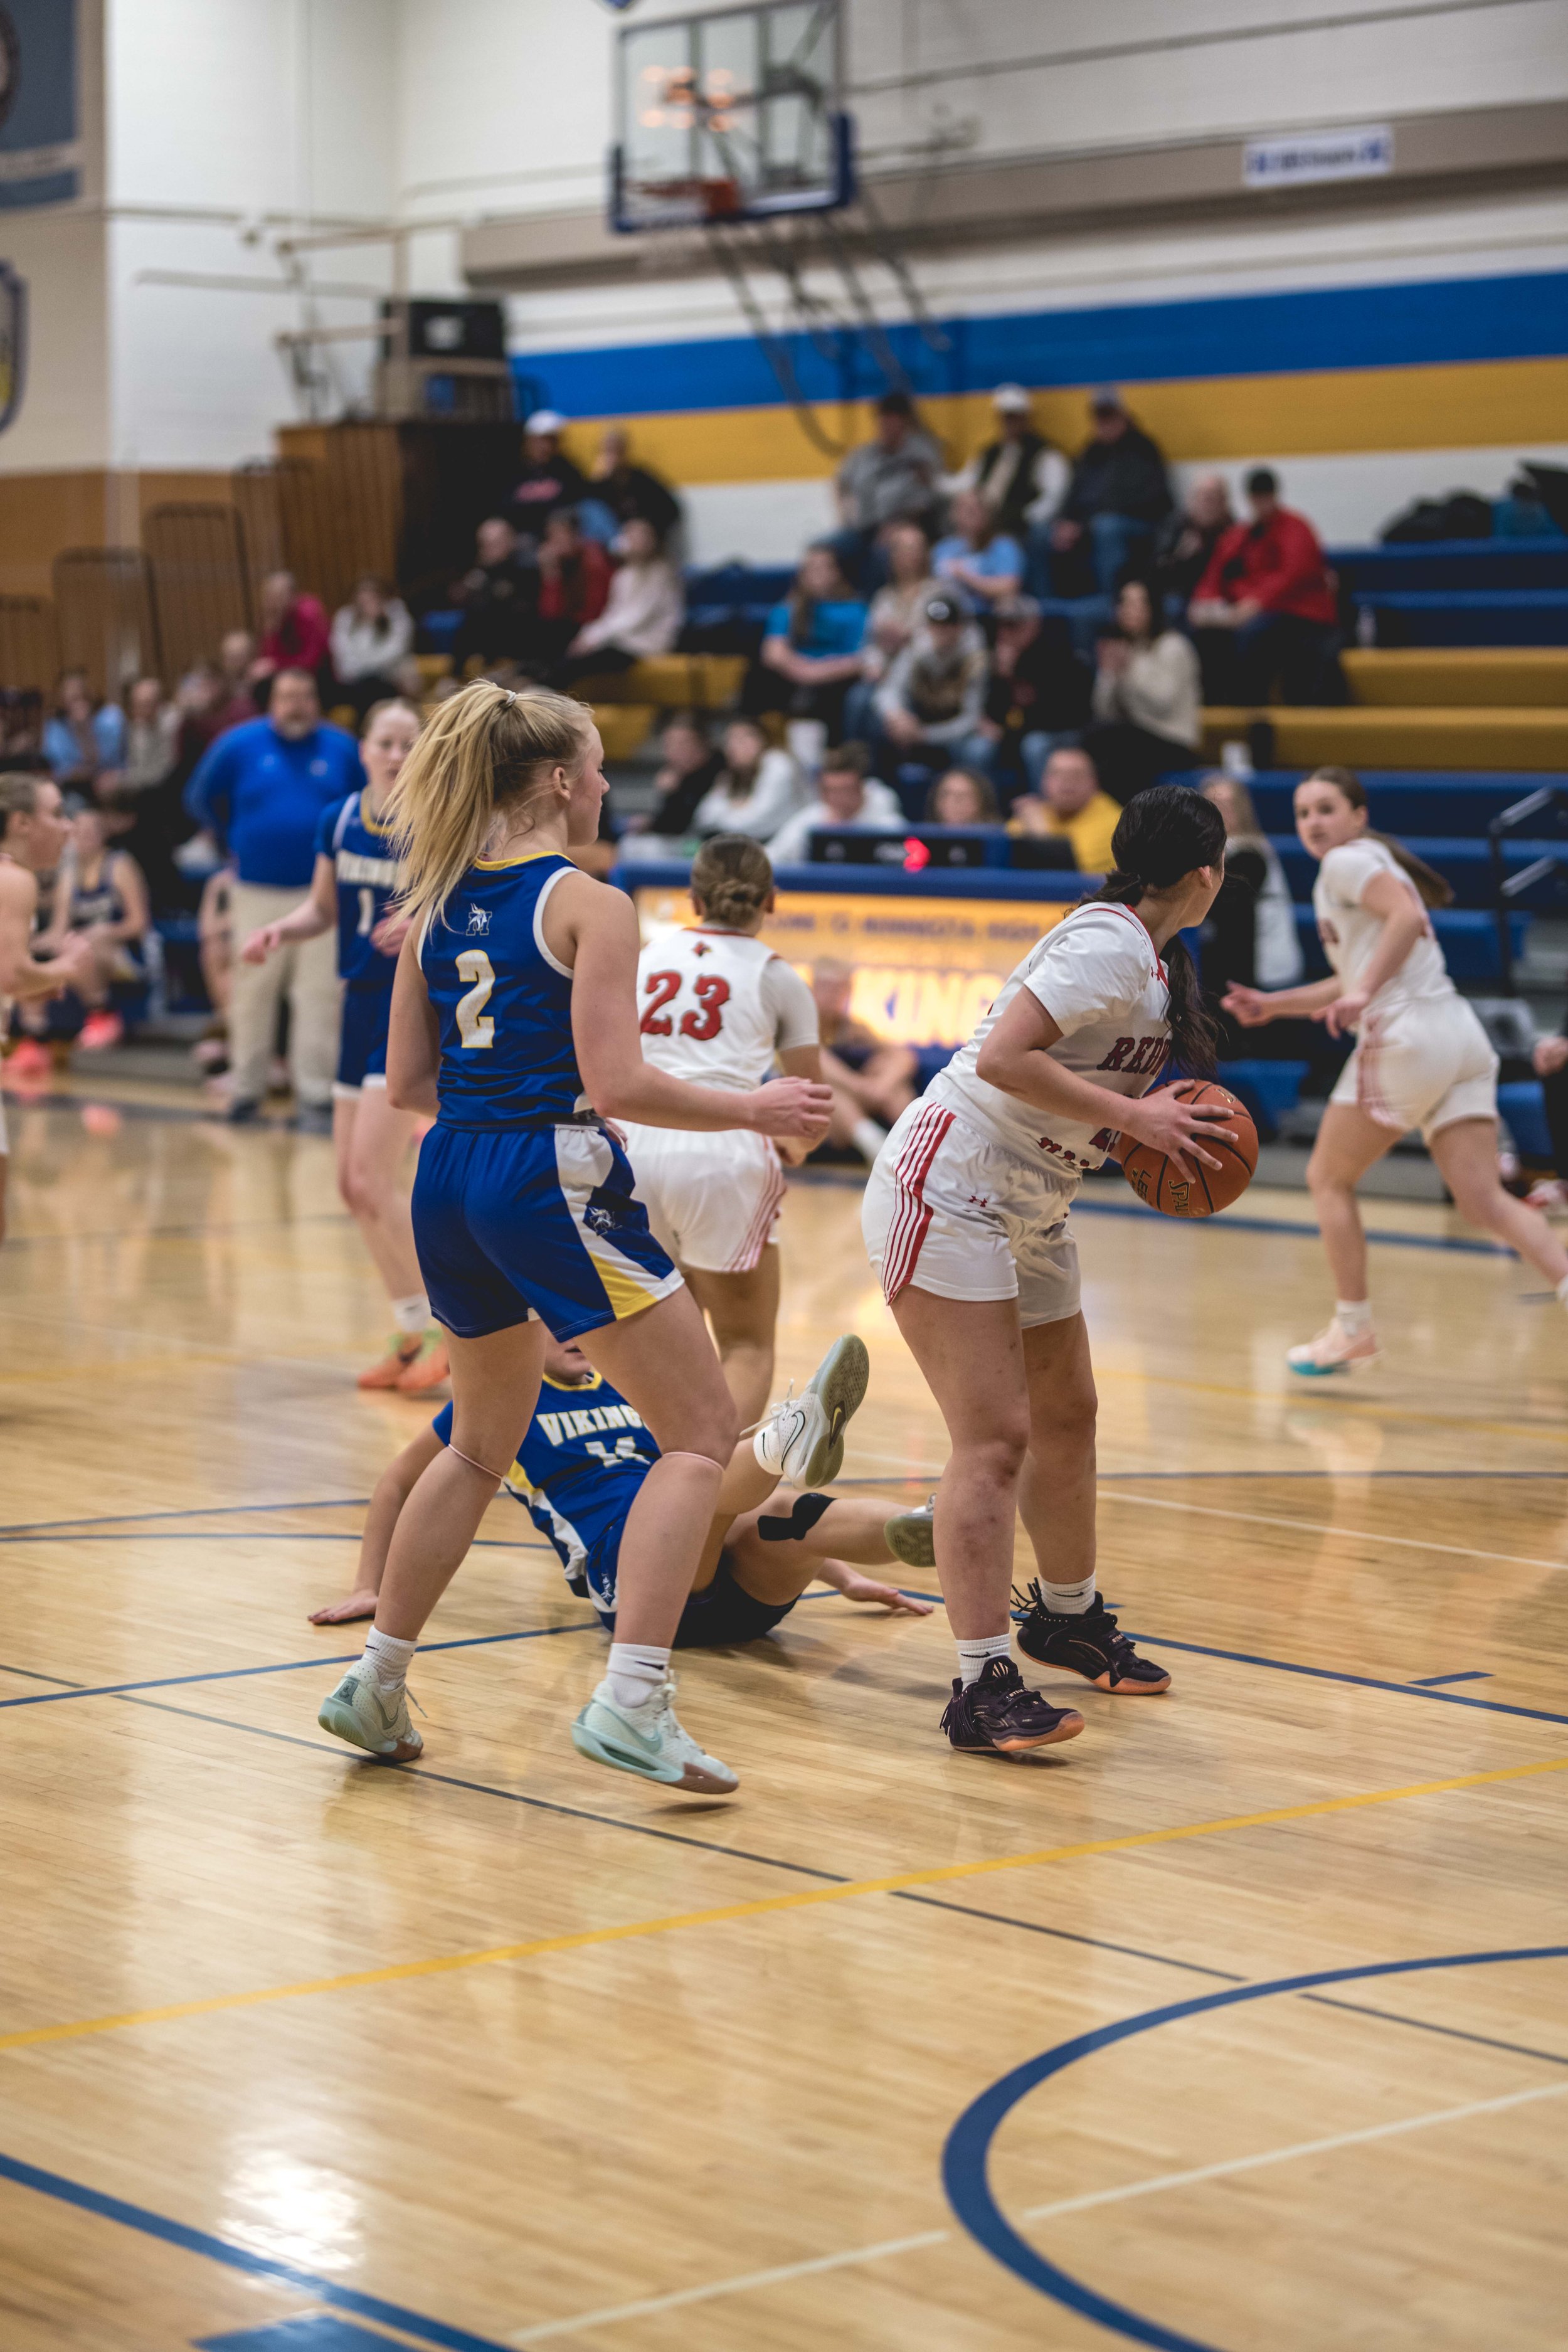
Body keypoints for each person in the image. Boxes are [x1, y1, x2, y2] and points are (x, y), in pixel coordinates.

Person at [314, 682, 832, 1794]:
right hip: (549, 1170)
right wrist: (756, 1107)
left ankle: (378, 1679)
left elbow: (407, 1082)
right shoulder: (589, 904)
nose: (603, 786)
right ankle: (635, 1700)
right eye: (594, 770)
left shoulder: (436, 899)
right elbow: (617, 1081)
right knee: (698, 1439)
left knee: (473, 1445)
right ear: (555, 781)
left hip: (447, 1172)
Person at [862, 785, 1234, 1755]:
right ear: (1206, 873)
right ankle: (980, 1681)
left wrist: (1131, 1134)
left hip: (1032, 1193)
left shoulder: (1149, 960)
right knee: (994, 1439)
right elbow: (999, 1058)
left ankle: (1064, 1614)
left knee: (1070, 1413)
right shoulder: (1107, 941)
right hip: (951, 1182)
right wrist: (1138, 1119)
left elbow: (1065, 1088)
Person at [1222, 767, 1568, 1369]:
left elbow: (1405, 921)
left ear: (1358, 816)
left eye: (1327, 808)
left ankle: (1352, 1327)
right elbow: (1354, 974)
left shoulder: (1347, 863)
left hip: (1407, 1036)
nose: (1313, 823)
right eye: (1303, 813)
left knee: (1328, 1180)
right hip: (1458, 1036)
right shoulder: (1365, 863)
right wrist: (1274, 1004)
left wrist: (1362, 996)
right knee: (1484, 1201)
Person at [306, 1332, 933, 1637]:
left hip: (736, 1603)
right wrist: (370, 1586)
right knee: (701, 1487)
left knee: (789, 1513)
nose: (576, 1330)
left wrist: (845, 1578)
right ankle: (782, 1437)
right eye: (557, 1321)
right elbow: (395, 1484)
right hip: (628, 1577)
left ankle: (932, 1525)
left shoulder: (627, 1390)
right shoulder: (498, 1403)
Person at [238, 701, 448, 1391]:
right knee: (350, 1187)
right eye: (384, 741)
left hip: (411, 1012)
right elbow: (323, 911)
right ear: (362, 748)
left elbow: (465, 899)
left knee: (371, 1179)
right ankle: (411, 1330)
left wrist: (418, 919)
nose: (394, 753)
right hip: (358, 1006)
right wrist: (280, 933)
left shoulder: (436, 822)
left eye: (406, 742)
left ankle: (448, 1329)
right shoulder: (339, 819)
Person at [622, 836, 821, 1426]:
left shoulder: (646, 955)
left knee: (658, 1351)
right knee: (745, 1346)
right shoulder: (778, 976)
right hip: (726, 1147)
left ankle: (656, 1490)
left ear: (693, 898)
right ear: (772, 900)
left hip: (633, 1147)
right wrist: (797, 1148)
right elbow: (807, 1106)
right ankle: (713, 1498)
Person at [184, 668, 364, 1128]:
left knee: (319, 996)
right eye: (287, 696)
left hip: (323, 892)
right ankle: (246, 1091)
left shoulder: (341, 747)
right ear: (272, 702)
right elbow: (200, 797)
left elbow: (365, 806)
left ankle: (316, 1095)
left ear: (317, 699)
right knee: (252, 992)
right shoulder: (238, 745)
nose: (296, 704)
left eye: (305, 695)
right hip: (256, 891)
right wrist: (232, 842)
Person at [0, 776, 97, 1240]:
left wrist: (30, 988)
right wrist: (64, 967)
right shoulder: (13, 879)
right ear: (20, 823)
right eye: (56, 814)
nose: (68, 826)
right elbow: (11, 974)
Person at [1190, 468, 1342, 704]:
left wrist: (1256, 604)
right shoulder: (1239, 536)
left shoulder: (1295, 528)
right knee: (1201, 634)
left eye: (1265, 497)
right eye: (1256, 498)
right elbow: (1215, 576)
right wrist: (1206, 604)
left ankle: (1250, 707)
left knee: (1255, 634)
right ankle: (1215, 703)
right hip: (1245, 612)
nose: (1261, 504)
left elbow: (1294, 574)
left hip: (1295, 613)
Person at [32, 802, 151, 1051]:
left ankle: (103, 1014)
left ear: (103, 834)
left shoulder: (119, 865)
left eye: (91, 831)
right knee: (29, 953)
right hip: (87, 949)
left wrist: (106, 931)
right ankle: (35, 1035)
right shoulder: (69, 873)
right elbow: (58, 930)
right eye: (79, 831)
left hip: (128, 951)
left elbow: (140, 923)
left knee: (86, 944)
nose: (85, 837)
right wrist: (28, 946)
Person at [1034, 389, 1172, 600]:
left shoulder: (1143, 449)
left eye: (1109, 416)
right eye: (1099, 417)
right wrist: (1066, 522)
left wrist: (1085, 524)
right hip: (1088, 525)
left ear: (1123, 416)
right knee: (1042, 532)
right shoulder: (1090, 453)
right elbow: (1072, 495)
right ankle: (1045, 608)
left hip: (1138, 525)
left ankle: (1110, 604)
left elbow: (1150, 500)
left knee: (1107, 527)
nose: (1104, 423)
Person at [1081, 577, 1202, 802]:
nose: (1129, 611)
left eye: (1138, 604)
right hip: (1134, 738)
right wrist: (1109, 675)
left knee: (1119, 744)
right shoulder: (1123, 648)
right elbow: (1103, 711)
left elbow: (1161, 704)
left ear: (1153, 608)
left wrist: (1127, 670)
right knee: (1097, 737)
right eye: (1125, 604)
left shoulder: (1173, 646)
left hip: (1173, 740)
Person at [743, 546, 867, 745]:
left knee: (839, 695)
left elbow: (860, 660)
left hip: (835, 680)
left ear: (838, 572)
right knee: (756, 674)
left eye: (824, 567)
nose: (818, 574)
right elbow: (773, 652)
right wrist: (804, 671)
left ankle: (835, 754)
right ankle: (749, 740)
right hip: (794, 675)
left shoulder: (854, 610)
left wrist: (815, 673)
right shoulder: (789, 608)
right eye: (811, 568)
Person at [973, 596, 1091, 798]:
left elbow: (1063, 715)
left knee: (1035, 745)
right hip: (1015, 734)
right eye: (1001, 626)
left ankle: (1046, 815)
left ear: (1033, 624)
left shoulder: (1058, 655)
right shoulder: (998, 658)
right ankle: (984, 814)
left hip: (1059, 733)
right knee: (978, 748)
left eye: (1013, 626)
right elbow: (992, 711)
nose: (1004, 633)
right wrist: (1003, 679)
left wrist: (1012, 676)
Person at [871, 590, 990, 788]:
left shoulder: (975, 658)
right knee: (875, 720)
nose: (941, 632)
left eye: (948, 626)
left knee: (978, 749)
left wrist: (925, 735)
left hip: (954, 732)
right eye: (935, 626)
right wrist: (898, 717)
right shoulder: (917, 648)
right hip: (918, 721)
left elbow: (971, 719)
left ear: (960, 627)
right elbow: (888, 691)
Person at [1199, 772, 1303, 995]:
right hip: (1233, 962)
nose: (1219, 811)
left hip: (1260, 969)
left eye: (1227, 804)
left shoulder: (1251, 853)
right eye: (1212, 804)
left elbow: (1224, 910)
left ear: (1241, 809)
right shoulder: (1217, 849)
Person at [810, 956, 919, 1166]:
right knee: (829, 1093)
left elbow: (904, 1056)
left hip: (864, 1100)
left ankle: (916, 1146)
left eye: (838, 989)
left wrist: (882, 1083)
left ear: (848, 992)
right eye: (825, 987)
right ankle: (875, 1147)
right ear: (812, 989)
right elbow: (814, 1061)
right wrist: (858, 1086)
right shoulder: (801, 1027)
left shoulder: (854, 1029)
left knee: (893, 1081)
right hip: (818, 1114)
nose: (831, 995)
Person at [554, 517, 684, 687]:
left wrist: (595, 639)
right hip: (620, 640)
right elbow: (613, 613)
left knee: (578, 664)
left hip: (645, 645)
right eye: (630, 534)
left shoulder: (660, 573)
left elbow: (636, 618)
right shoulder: (624, 574)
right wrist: (588, 635)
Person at [832, 389, 943, 584]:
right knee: (828, 550)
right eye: (884, 417)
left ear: (905, 421)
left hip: (908, 525)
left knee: (883, 554)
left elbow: (929, 499)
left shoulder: (921, 453)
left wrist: (898, 524)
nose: (888, 423)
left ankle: (879, 606)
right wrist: (844, 514)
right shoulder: (863, 455)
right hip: (866, 527)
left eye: (894, 418)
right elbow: (840, 483)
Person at [946, 384, 1068, 544]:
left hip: (1019, 527)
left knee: (1039, 534)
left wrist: (1024, 517)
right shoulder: (989, 453)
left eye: (1014, 416)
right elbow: (966, 482)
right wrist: (933, 481)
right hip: (983, 523)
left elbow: (1053, 497)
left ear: (1026, 417)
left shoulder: (1044, 455)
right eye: (1005, 416)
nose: (1009, 422)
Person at [847, 521, 938, 734]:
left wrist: (907, 637)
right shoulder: (884, 597)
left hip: (923, 675)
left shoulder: (939, 593)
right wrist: (873, 665)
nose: (911, 555)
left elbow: (945, 638)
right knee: (859, 698)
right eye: (904, 549)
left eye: (917, 548)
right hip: (886, 672)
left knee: (877, 707)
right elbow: (870, 643)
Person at [765, 741, 904, 864]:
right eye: (831, 791)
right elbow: (774, 855)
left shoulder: (886, 820)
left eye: (845, 790)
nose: (838, 798)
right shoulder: (813, 819)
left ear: (860, 788)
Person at [1006, 744, 1122, 872]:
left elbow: (1070, 874)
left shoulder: (1114, 822)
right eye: (1057, 773)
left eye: (1077, 775)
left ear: (1094, 782)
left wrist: (1040, 835)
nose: (1067, 781)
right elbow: (1006, 851)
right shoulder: (1041, 810)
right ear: (1044, 781)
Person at [691, 716, 802, 844]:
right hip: (750, 848)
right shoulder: (730, 775)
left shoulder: (778, 763)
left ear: (763, 740)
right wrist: (737, 808)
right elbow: (703, 818)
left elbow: (756, 823)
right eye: (729, 740)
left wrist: (728, 809)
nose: (733, 746)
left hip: (790, 854)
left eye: (742, 739)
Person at [450, 518, 540, 675]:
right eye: (483, 545)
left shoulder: (528, 568)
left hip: (519, 646)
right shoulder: (481, 570)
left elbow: (525, 611)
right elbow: (458, 599)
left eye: (492, 544)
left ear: (510, 541)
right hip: (487, 646)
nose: (486, 550)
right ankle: (454, 674)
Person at [532, 508, 612, 675]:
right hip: (570, 627)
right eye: (551, 537)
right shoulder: (558, 563)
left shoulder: (594, 561)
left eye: (560, 535)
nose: (555, 543)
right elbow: (549, 613)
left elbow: (595, 612)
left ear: (577, 535)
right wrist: (551, 576)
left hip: (597, 628)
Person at [330, 578, 415, 722]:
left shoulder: (397, 616)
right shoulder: (345, 618)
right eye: (363, 598)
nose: (368, 602)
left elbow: (394, 653)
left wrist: (375, 622)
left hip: (390, 679)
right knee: (365, 688)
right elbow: (344, 658)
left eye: (373, 597)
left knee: (377, 686)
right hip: (355, 681)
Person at [1152, 473, 1234, 618]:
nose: (1205, 504)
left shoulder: (1233, 530)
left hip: (1221, 593)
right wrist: (1181, 556)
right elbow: (1157, 573)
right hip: (1183, 592)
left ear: (1223, 502)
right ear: (1191, 501)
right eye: (1200, 497)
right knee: (1173, 607)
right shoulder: (1175, 526)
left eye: (1211, 499)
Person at [932, 488, 1024, 612]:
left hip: (989, 616)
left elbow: (1008, 587)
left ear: (988, 514)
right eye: (966, 508)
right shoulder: (942, 548)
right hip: (948, 616)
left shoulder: (1003, 546)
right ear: (953, 514)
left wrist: (965, 576)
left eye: (978, 508)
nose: (972, 514)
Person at [588, 426, 681, 544]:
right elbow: (592, 513)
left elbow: (669, 508)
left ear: (624, 451)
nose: (612, 456)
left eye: (616, 450)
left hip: (643, 536)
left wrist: (646, 525)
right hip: (614, 539)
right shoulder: (599, 483)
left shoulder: (641, 478)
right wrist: (597, 479)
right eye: (607, 451)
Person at [509, 410, 591, 544]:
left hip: (560, 532)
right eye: (540, 441)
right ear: (528, 441)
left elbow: (577, 500)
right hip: (522, 533)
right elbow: (506, 508)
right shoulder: (514, 471)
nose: (545, 447)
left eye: (551, 441)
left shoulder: (566, 469)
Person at [43, 675, 125, 790]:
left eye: (82, 696)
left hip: (112, 780)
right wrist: (79, 730)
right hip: (75, 785)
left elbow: (115, 760)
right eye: (73, 698)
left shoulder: (111, 718)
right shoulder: (56, 727)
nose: (79, 703)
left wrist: (87, 728)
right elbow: (60, 771)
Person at [252, 571, 331, 688]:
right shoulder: (276, 617)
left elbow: (312, 661)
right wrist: (272, 632)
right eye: (268, 597)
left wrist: (276, 665)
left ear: (293, 596)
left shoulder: (309, 614)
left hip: (319, 678)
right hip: (289, 674)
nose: (271, 603)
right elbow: (269, 657)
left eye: (278, 596)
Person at [925, 766, 999, 826]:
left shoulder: (1002, 838)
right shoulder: (919, 839)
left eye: (964, 796)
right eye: (946, 794)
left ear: (983, 802)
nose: (954, 802)